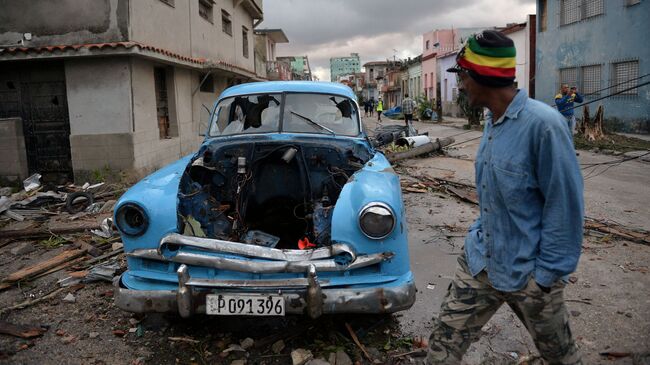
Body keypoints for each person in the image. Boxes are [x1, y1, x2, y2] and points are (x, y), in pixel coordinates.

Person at [427, 30, 584, 365]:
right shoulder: (492, 122)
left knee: (563, 359)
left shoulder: (544, 127)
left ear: (481, 77)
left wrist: (544, 278)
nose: (461, 85)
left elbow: (565, 207)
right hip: (482, 262)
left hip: (530, 273)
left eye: (463, 76)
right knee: (440, 351)